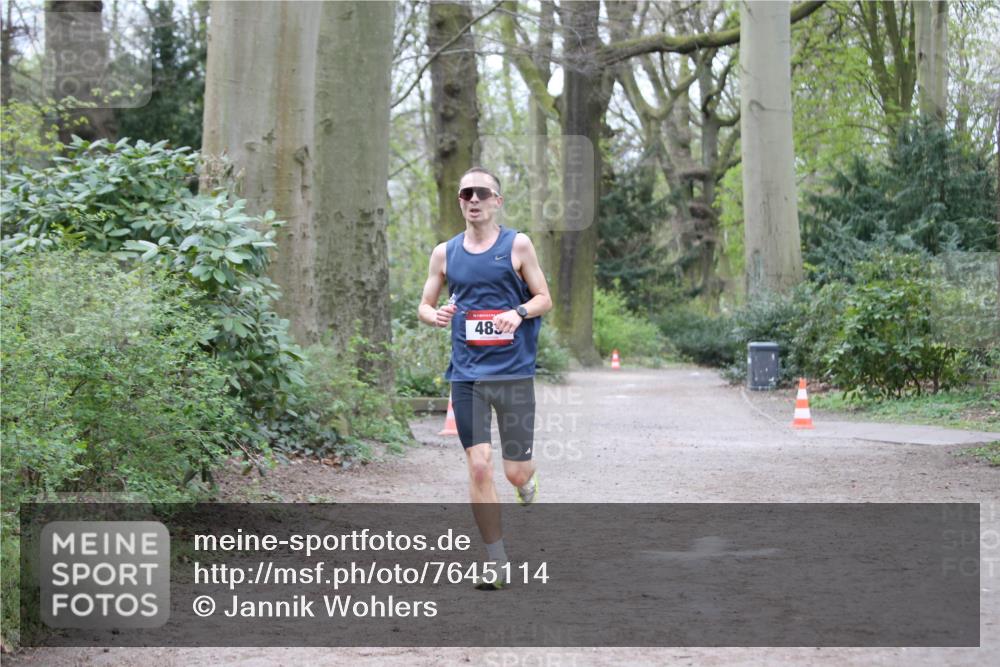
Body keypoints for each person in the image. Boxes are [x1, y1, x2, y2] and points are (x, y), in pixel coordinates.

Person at [417, 166, 553, 589]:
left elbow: (544, 298)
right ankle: (496, 560)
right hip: (467, 375)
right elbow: (424, 304)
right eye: (465, 194)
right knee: (479, 467)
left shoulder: (519, 245)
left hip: (513, 374)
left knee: (514, 472)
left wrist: (518, 312)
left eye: (481, 193)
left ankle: (526, 480)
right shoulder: (445, 253)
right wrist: (433, 315)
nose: (472, 199)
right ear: (460, 202)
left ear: (497, 201)